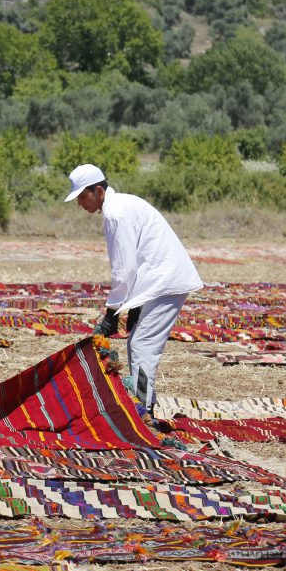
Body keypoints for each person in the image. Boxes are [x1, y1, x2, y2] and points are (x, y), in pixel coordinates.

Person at [64, 163, 203, 414]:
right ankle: (143, 402)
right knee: (137, 344)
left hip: (165, 281)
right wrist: (135, 305)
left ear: (99, 191)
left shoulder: (116, 213)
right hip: (159, 281)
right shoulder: (121, 205)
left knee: (141, 345)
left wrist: (111, 313)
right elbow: (139, 258)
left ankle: (143, 408)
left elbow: (124, 269)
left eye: (83, 196)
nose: (80, 203)